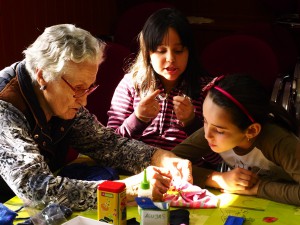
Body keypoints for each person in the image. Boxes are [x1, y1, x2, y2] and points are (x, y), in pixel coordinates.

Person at [0, 24, 192, 210]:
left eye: (89, 88)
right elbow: (36, 188)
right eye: (77, 88)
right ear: (42, 76)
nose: (83, 101)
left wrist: (161, 158)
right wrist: (127, 189)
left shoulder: (58, 96)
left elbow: (106, 143)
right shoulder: (4, 106)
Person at [107, 8, 221, 166]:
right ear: (148, 53)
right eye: (161, 51)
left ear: (189, 52)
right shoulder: (131, 84)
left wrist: (192, 123)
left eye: (179, 51)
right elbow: (108, 146)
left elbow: (218, 157)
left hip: (186, 176)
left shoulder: (205, 90)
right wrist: (138, 119)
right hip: (137, 172)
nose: (171, 59)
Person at [172, 73, 300, 205]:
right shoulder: (214, 128)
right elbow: (168, 162)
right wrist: (218, 178)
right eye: (205, 120)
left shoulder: (277, 141)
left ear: (251, 131)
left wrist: (258, 188)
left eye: (219, 131)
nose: (207, 135)